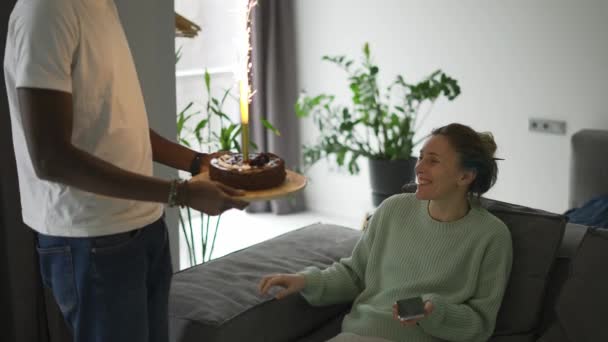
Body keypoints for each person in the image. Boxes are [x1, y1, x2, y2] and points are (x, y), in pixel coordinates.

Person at [3, 0, 248, 341]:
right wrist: (180, 193)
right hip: (90, 240)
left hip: (143, 227)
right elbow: (50, 157)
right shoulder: (47, 10)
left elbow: (117, 124)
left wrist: (198, 162)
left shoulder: (101, 6)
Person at [259, 123, 513, 342]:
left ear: (465, 176)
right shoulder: (393, 209)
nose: (419, 167)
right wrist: (306, 281)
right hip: (356, 336)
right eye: (421, 157)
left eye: (433, 161)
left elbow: (480, 323)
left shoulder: (491, 236)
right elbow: (355, 274)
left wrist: (435, 312)